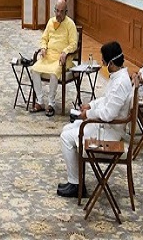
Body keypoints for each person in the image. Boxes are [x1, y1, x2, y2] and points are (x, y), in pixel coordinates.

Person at [57, 41, 133, 198]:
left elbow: (108, 115)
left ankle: (76, 185)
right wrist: (90, 106)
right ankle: (76, 180)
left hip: (109, 132)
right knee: (67, 129)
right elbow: (105, 100)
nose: (103, 64)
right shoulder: (118, 76)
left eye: (104, 61)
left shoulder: (120, 83)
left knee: (66, 137)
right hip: (103, 124)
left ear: (111, 62)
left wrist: (88, 115)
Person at [30, 0, 78, 116]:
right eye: (56, 11)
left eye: (61, 11)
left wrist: (65, 52)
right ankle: (40, 101)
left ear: (66, 12)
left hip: (62, 58)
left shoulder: (70, 24)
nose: (58, 14)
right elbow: (44, 38)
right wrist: (43, 47)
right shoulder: (51, 22)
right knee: (34, 69)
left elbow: (74, 44)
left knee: (54, 72)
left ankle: (51, 103)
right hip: (49, 56)